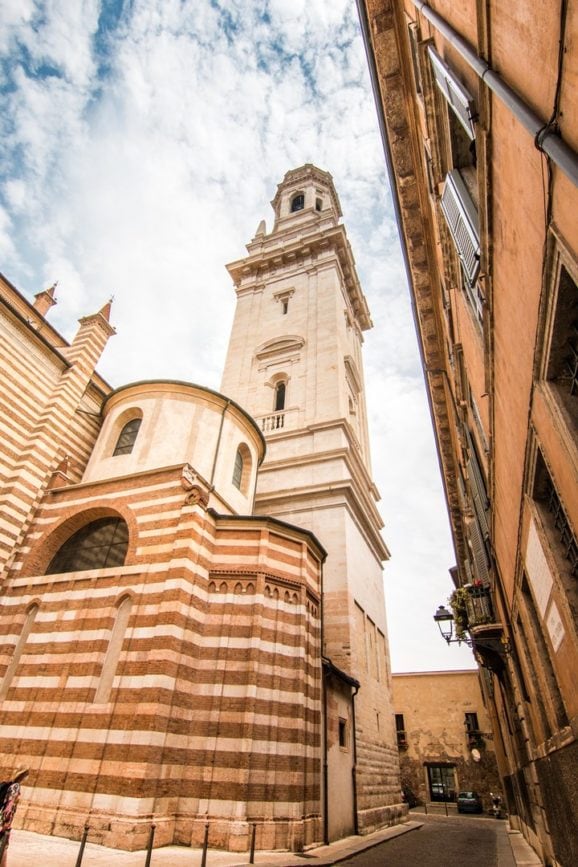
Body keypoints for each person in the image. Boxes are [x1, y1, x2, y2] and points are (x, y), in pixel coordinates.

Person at [0, 767, 28, 866]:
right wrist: (7, 821)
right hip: (5, 818)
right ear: (23, 776)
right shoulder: (16, 786)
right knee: (3, 842)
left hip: (2, 814)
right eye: (26, 775)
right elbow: (10, 803)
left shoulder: (10, 784)